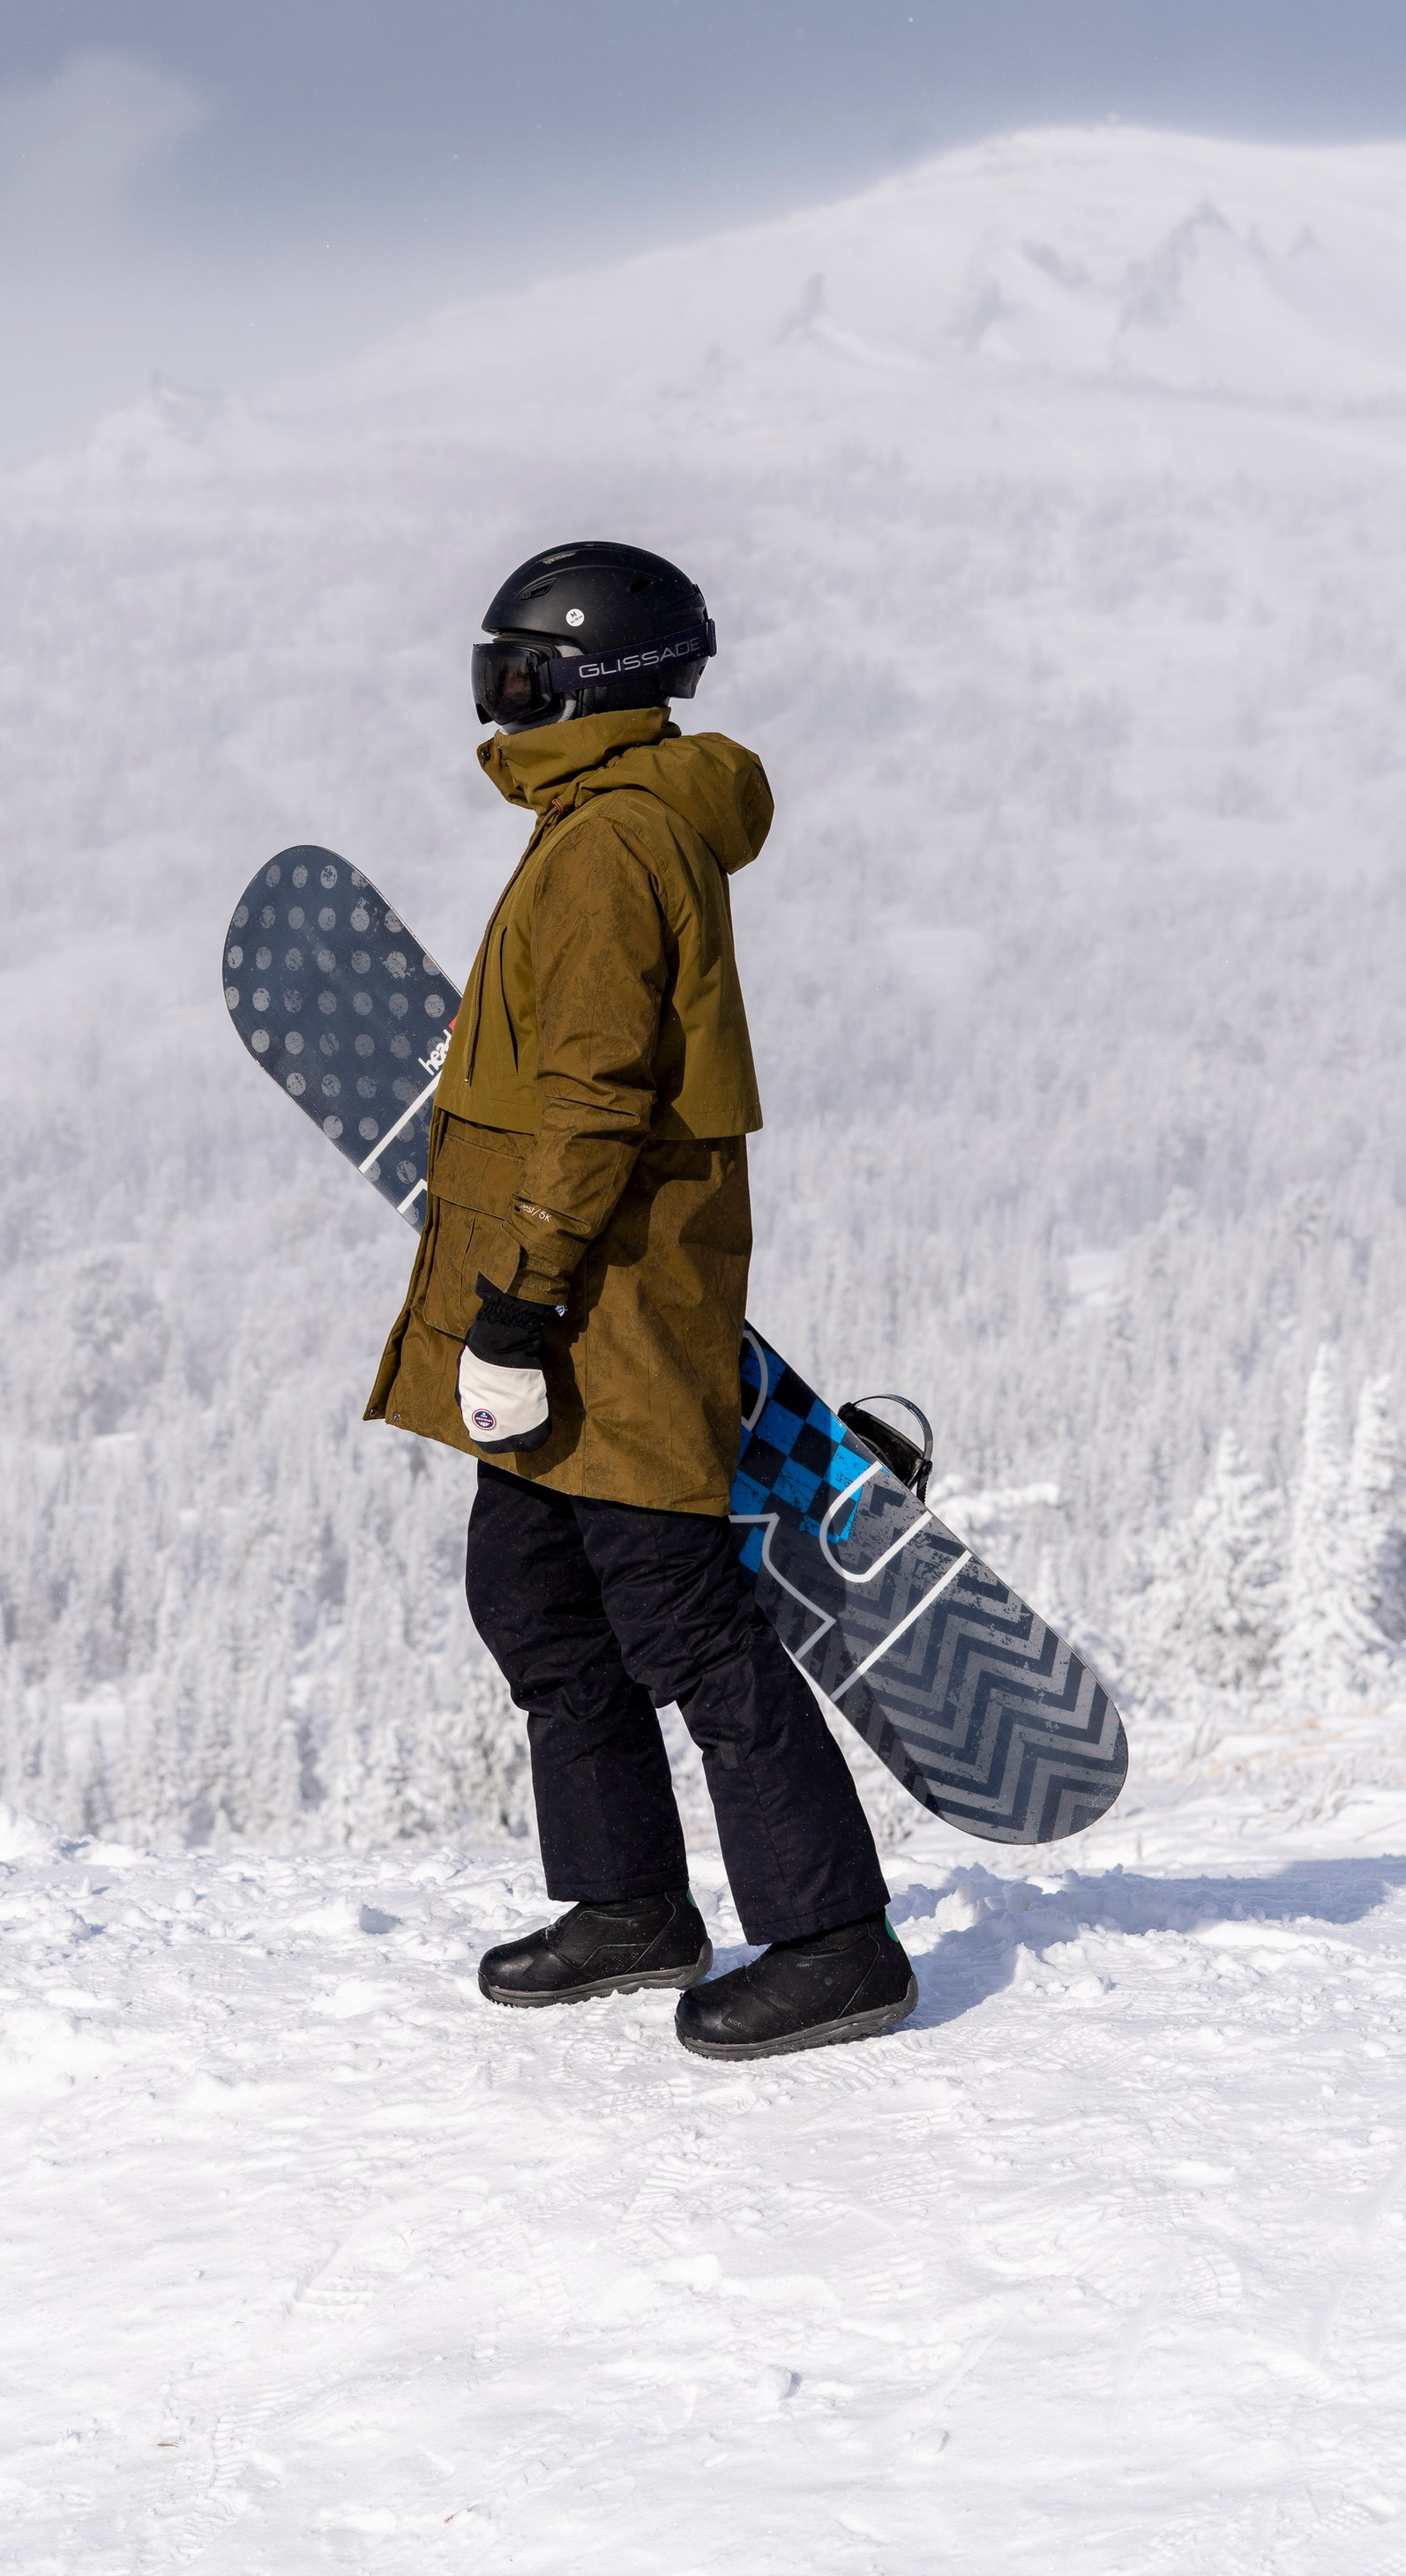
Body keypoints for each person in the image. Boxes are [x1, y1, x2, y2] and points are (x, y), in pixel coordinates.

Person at [364, 540, 915, 2061]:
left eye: (522, 665)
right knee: (534, 1597)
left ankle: (836, 1941)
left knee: (681, 1621)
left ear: (579, 679)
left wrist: (519, 1309)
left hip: (608, 1299)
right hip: (569, 1286)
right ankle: (628, 1906)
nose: (501, 691)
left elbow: (598, 1096)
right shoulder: (596, 819)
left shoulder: (611, 845)